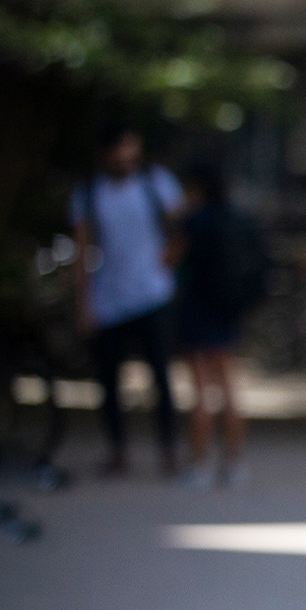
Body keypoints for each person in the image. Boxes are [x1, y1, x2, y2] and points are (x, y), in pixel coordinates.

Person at [71, 126, 184, 479]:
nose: (126, 156)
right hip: (108, 299)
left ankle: (169, 450)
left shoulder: (155, 183)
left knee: (161, 378)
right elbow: (81, 250)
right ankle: (117, 450)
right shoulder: (89, 193)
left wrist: (167, 264)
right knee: (108, 381)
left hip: (152, 295)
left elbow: (182, 229)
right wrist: (83, 303)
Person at [173, 162, 265, 490]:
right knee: (229, 390)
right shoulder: (235, 218)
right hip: (227, 310)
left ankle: (200, 465)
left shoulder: (194, 221)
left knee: (200, 392)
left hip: (198, 308)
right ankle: (235, 465)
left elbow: (167, 259)